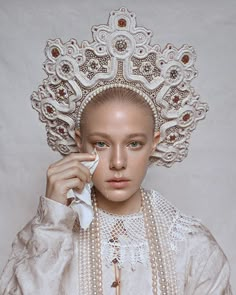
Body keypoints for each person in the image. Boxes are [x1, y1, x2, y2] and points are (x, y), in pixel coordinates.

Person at [0, 7, 232, 295]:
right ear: (79, 143)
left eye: (134, 143)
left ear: (154, 143)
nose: (118, 162)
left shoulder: (192, 246)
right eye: (101, 143)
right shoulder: (45, 237)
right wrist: (54, 218)